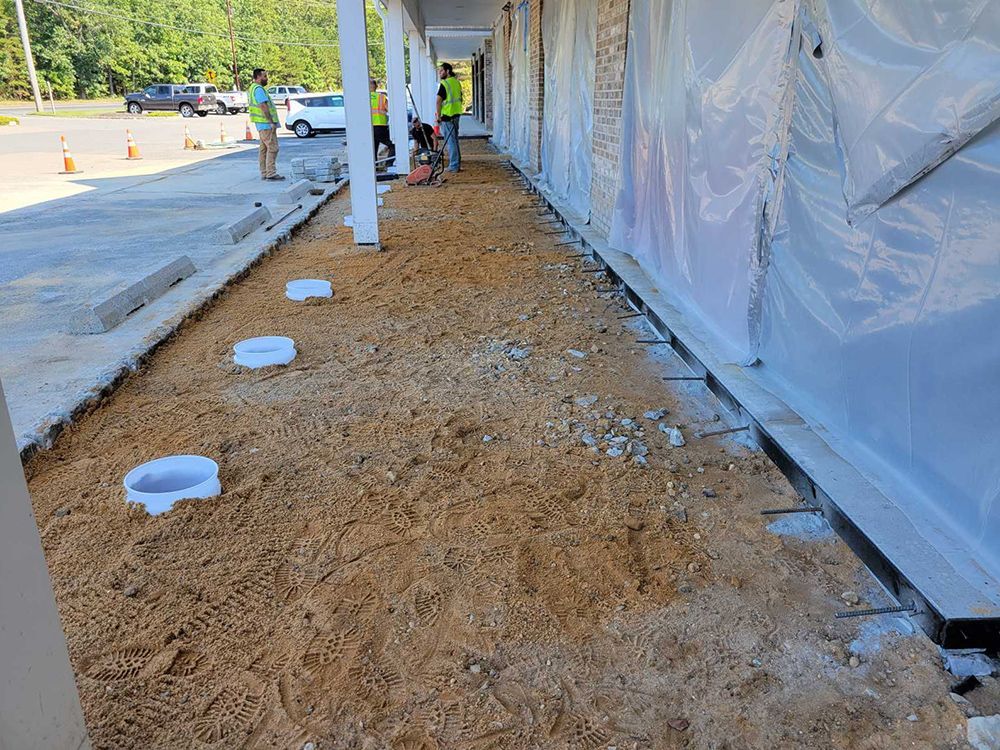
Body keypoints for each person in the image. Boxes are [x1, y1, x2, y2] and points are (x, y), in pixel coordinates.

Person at [248, 68, 284, 181]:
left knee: (264, 149)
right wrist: (270, 122)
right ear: (258, 77)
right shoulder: (258, 89)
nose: (266, 78)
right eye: (264, 76)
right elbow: (263, 106)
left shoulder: (252, 88)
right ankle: (271, 173)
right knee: (273, 148)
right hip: (265, 124)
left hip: (261, 124)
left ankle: (264, 172)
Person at [435, 62, 463, 173]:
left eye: (441, 71)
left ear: (447, 71)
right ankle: (457, 163)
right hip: (456, 115)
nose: (439, 73)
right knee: (455, 140)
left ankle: (454, 165)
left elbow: (438, 101)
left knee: (451, 142)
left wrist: (438, 116)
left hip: (447, 116)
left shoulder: (444, 84)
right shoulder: (456, 83)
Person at [369, 79, 395, 168]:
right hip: (380, 126)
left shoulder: (362, 98)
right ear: (376, 86)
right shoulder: (382, 97)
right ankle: (388, 164)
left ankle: (375, 168)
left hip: (368, 127)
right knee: (393, 146)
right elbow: (390, 110)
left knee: (373, 149)